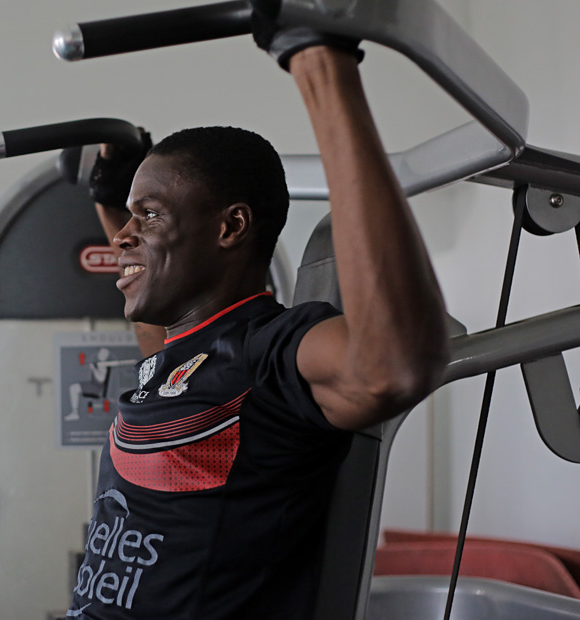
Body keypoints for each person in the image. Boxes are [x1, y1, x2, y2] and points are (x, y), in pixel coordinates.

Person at [66, 12, 450, 620]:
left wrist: (318, 59)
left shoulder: (270, 348)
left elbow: (389, 368)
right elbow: (163, 345)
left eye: (151, 214)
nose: (122, 239)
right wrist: (113, 201)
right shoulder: (180, 358)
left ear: (231, 227)